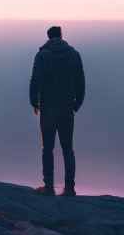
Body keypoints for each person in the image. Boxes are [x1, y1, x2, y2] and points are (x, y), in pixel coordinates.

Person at [29, 25, 85, 196]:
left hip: (48, 108)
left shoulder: (42, 55)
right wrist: (76, 105)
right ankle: (70, 188)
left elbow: (35, 81)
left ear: (48, 37)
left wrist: (35, 103)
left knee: (48, 149)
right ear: (61, 36)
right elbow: (80, 83)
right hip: (67, 108)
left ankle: (49, 187)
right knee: (68, 149)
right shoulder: (74, 55)